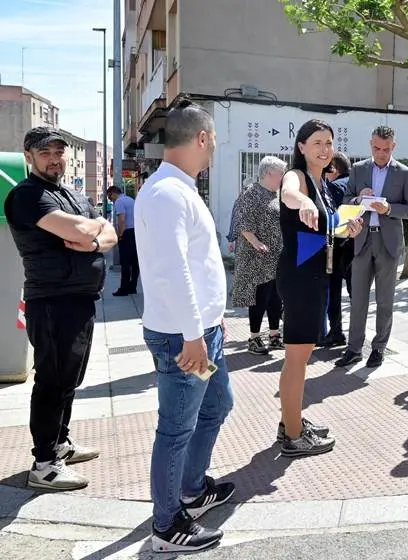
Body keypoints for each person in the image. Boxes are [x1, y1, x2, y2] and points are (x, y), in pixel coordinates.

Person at [136, 100, 235, 552]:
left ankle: (192, 490)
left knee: (217, 406)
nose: (213, 150)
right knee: (175, 428)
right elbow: (172, 271)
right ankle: (166, 525)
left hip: (200, 332)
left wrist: (211, 324)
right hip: (183, 338)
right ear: (201, 138)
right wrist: (195, 336)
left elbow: (196, 267)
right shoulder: (167, 194)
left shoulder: (178, 188)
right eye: (213, 141)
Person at [5, 127, 118, 490]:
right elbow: (87, 228)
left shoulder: (71, 193)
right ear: (29, 157)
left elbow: (108, 231)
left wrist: (96, 236)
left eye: (59, 151)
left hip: (81, 299)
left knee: (71, 379)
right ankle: (44, 464)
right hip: (52, 301)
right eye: (44, 153)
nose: (54, 158)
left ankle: (61, 444)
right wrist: (93, 233)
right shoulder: (27, 196)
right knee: (52, 380)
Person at [277, 119, 363, 456]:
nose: (324, 148)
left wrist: (346, 229)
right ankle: (293, 437)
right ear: (301, 147)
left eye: (329, 142)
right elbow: (288, 193)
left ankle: (291, 421)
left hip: (314, 276)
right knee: (297, 359)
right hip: (299, 278)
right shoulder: (297, 177)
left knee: (302, 357)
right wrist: (305, 202)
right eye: (316, 142)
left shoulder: (323, 183)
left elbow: (324, 232)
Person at [335, 126, 408, 368]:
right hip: (361, 241)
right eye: (376, 148)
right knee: (358, 299)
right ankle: (353, 349)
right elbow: (345, 201)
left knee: (384, 301)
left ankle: (379, 348)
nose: (381, 153)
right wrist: (358, 198)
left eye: (386, 149)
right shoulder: (359, 169)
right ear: (370, 144)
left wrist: (389, 209)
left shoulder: (404, 173)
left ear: (394, 146)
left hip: (388, 243)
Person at [230, 156, 288, 355]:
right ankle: (254, 338)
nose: (283, 177)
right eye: (281, 173)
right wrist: (256, 243)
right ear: (269, 173)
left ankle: (274, 336)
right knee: (260, 298)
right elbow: (243, 223)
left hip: (275, 256)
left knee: (275, 297)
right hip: (257, 257)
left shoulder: (276, 194)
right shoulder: (252, 193)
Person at [319, 151, 354, 348]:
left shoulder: (332, 187)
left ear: (334, 169)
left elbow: (328, 218)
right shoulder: (357, 184)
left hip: (336, 246)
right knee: (355, 291)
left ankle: (336, 331)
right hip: (357, 245)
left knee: (333, 291)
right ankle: (357, 333)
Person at [106, 186, 139, 296]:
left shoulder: (119, 202)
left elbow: (122, 219)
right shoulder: (131, 200)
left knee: (125, 262)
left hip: (127, 233)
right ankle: (133, 287)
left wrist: (120, 235)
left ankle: (124, 288)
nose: (110, 199)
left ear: (113, 193)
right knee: (134, 262)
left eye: (109, 196)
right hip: (136, 232)